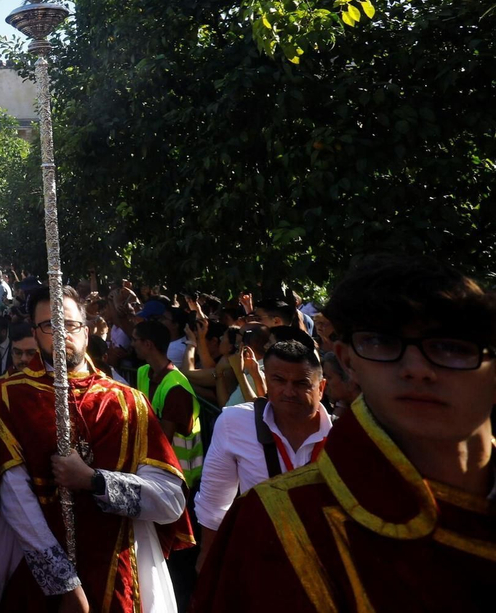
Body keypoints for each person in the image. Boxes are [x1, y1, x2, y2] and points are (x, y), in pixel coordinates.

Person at [193, 256, 496, 612]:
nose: (417, 369)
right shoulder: (274, 521)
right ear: (347, 360)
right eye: (383, 343)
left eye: (451, 347)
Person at [0, 286, 192, 613]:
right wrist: (63, 581)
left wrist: (96, 481)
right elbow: (14, 498)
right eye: (49, 325)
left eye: (70, 323)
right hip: (39, 575)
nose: (61, 332)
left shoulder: (128, 402)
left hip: (119, 569)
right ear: (36, 334)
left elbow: (170, 501)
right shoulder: (7, 398)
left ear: (87, 328)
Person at [193, 331, 331, 567]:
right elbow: (214, 505)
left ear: (321, 387)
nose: (289, 391)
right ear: (266, 380)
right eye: (278, 380)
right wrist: (207, 561)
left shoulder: (341, 436)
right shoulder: (234, 423)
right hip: (259, 562)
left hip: (325, 567)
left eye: (301, 383)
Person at [132, 320, 205, 492]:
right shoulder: (143, 371)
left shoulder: (176, 388)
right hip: (157, 469)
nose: (132, 344)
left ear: (148, 344)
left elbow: (164, 439)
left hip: (178, 477)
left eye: (135, 339)